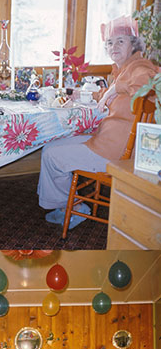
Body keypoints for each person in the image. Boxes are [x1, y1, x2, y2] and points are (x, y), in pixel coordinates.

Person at [38, 15, 157, 228]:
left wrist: (112, 89)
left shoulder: (139, 66)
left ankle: (75, 208)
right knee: (49, 149)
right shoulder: (124, 70)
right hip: (107, 140)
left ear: (134, 45)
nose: (114, 46)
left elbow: (148, 84)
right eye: (110, 42)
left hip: (116, 153)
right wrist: (88, 94)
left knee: (53, 157)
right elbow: (115, 95)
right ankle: (65, 203)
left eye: (121, 41)